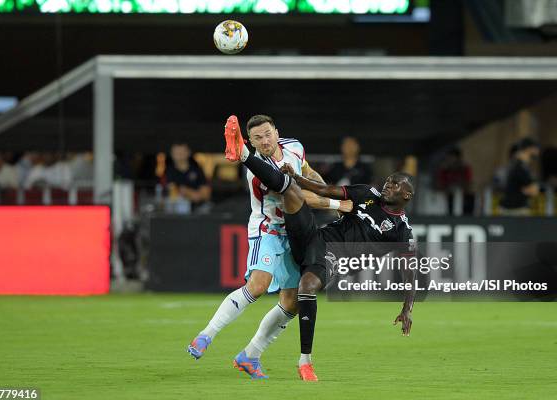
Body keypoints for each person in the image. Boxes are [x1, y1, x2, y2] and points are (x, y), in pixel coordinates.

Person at [223, 115, 416, 382]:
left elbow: (410, 272)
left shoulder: (401, 231)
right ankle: (244, 153)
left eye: (395, 185)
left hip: (331, 260)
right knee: (289, 190)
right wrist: (298, 179)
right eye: (389, 180)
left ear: (406, 197)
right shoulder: (366, 194)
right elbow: (325, 190)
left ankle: (294, 360)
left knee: (299, 296)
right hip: (313, 237)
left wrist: (407, 308)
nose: (388, 184)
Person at [187, 115, 352, 379]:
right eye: (257, 138)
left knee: (292, 302)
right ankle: (206, 335)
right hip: (268, 230)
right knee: (258, 285)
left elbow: (306, 172)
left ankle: (250, 355)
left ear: (277, 132)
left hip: (293, 234)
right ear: (251, 144)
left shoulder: (294, 146)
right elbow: (297, 195)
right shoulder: (256, 170)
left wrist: (327, 190)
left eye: (268, 134)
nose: (265, 141)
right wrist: (337, 204)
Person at [499, 138, 540, 215]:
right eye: (536, 148)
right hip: (515, 210)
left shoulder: (521, 165)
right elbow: (534, 191)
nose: (538, 151)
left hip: (514, 208)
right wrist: (526, 190)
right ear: (529, 148)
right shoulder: (519, 166)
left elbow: (533, 190)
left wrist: (525, 190)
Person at [165, 143, 211, 212]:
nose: (179, 155)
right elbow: (172, 191)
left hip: (199, 208)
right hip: (177, 209)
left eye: (182, 152)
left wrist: (189, 192)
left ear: (188, 153)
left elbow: (206, 194)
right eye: (176, 153)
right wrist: (190, 193)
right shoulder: (169, 171)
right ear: (172, 154)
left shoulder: (197, 170)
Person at [435, 147, 474, 215]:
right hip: (447, 198)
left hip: (463, 198)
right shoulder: (444, 170)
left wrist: (459, 185)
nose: (449, 160)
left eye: (452, 157)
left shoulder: (464, 169)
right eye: (448, 158)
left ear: (458, 158)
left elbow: (469, 184)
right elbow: (439, 185)